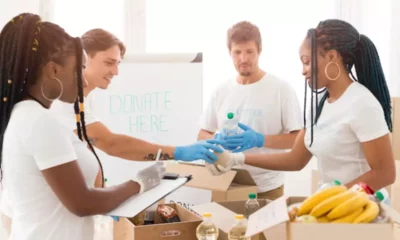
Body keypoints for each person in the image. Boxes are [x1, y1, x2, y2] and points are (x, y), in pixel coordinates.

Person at [0, 13, 165, 239]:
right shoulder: (40, 121)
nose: (84, 81)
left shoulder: (25, 115)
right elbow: (82, 203)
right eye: (79, 70)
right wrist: (139, 184)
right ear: (53, 70)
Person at [208, 19, 396, 192]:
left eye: (306, 62)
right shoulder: (320, 106)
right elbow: (295, 160)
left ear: (331, 57)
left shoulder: (362, 104)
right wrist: (237, 159)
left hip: (359, 212)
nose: (303, 71)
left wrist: (335, 197)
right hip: (332, 211)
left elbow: (385, 173)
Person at [50, 28, 221, 166]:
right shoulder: (65, 102)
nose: (116, 72)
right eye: (109, 63)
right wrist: (178, 152)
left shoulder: (86, 100)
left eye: (118, 64)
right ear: (83, 58)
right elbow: (112, 144)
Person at [197, 21, 303, 200]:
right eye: (237, 52)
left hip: (266, 187)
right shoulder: (221, 91)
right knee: (223, 228)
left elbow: (297, 140)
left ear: (260, 50)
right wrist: (216, 139)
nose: (243, 59)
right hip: (226, 184)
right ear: (229, 52)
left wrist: (260, 140)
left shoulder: (280, 89)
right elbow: (202, 134)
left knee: (264, 230)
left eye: (249, 52)